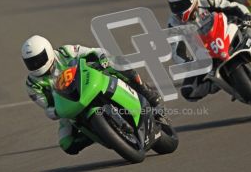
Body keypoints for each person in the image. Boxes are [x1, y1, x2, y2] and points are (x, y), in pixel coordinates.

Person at [21, 35, 162, 155]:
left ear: (48, 51)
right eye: (31, 62)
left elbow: (95, 52)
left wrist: (102, 58)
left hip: (90, 82)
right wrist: (55, 112)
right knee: (67, 145)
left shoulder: (65, 52)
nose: (35, 64)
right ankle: (101, 133)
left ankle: (144, 90)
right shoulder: (32, 84)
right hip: (71, 106)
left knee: (115, 62)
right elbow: (48, 107)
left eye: (38, 59)